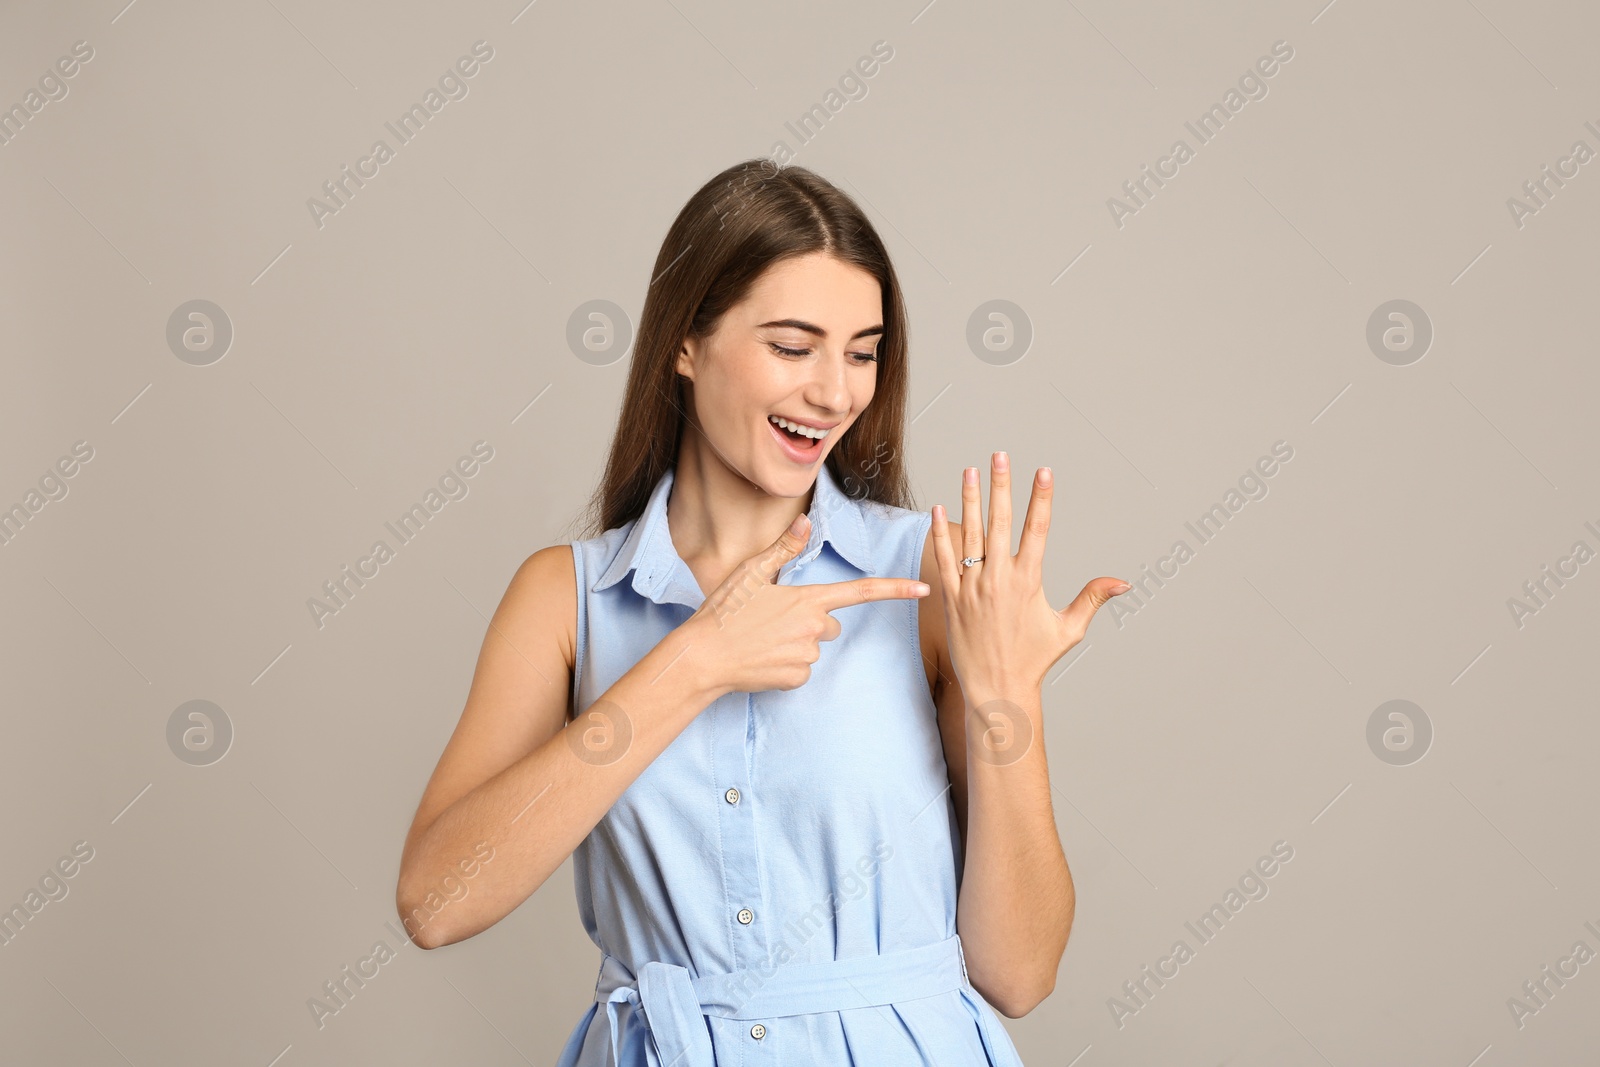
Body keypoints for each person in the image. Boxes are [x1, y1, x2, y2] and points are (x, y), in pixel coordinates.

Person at [395, 159, 1130, 1065]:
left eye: (862, 352)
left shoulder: (929, 586)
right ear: (685, 341)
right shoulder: (565, 598)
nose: (835, 393)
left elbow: (1018, 974)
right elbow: (436, 902)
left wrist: (1004, 700)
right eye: (793, 346)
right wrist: (696, 660)